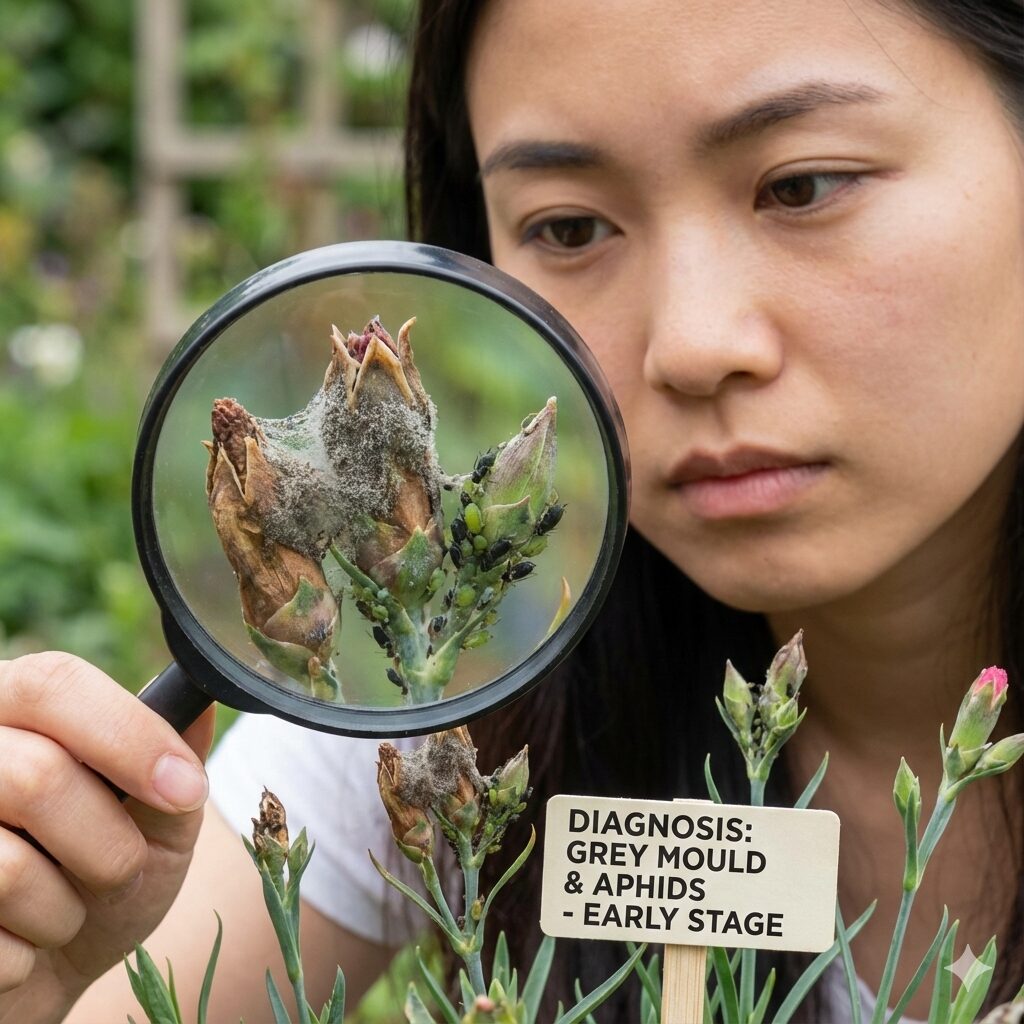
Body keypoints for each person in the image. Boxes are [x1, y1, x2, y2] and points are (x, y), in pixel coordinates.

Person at [1, 0, 1022, 1020]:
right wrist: (40, 981)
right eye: (568, 227)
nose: (693, 345)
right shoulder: (436, 695)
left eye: (803, 185)